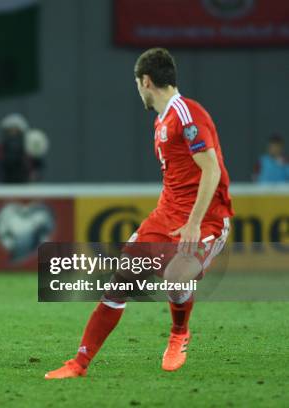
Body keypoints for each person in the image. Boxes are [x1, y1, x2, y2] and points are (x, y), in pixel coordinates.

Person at [45, 48, 233, 379]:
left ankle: (178, 334)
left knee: (176, 276)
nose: (137, 90)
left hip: (207, 219)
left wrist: (192, 224)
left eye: (137, 84)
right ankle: (79, 363)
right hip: (166, 214)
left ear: (145, 81)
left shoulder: (187, 114)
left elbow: (212, 170)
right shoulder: (161, 121)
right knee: (121, 281)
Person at [0, 113, 45, 183]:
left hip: (27, 188)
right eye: (9, 131)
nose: (13, 134)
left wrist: (34, 176)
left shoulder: (30, 149)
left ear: (21, 133)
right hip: (4, 189)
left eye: (16, 131)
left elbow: (39, 168)